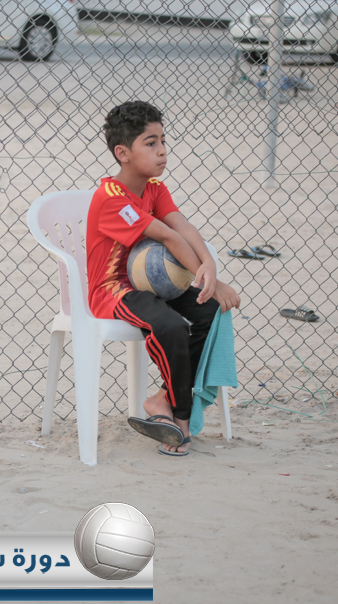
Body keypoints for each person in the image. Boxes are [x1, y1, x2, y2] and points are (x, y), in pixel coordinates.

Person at [86, 101, 240, 457]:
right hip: (113, 291)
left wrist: (210, 270)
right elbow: (168, 237)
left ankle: (161, 400)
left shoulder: (155, 188)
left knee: (210, 311)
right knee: (170, 327)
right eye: (151, 143)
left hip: (153, 284)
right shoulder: (111, 199)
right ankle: (181, 420)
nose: (162, 151)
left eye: (163, 141)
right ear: (123, 153)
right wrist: (208, 276)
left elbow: (181, 225)